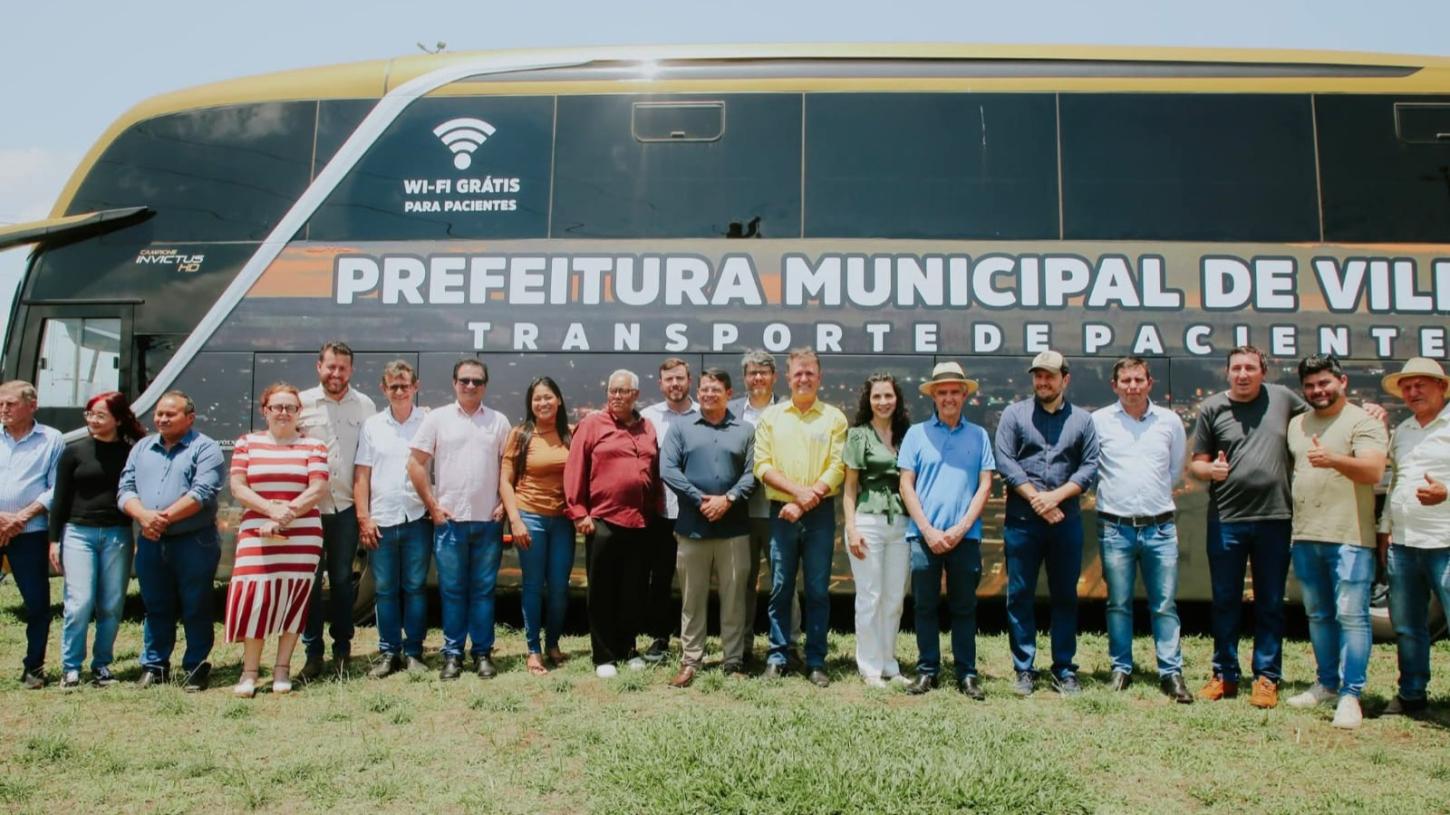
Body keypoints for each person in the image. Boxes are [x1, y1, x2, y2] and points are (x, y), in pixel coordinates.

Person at [1187, 345, 1308, 709]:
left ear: (1263, 372)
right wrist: (1212, 471)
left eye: (1250, 368)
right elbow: (1197, 465)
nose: (1243, 374)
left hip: (1274, 518)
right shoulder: (1211, 408)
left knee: (1270, 602)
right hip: (1226, 519)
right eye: (1236, 368)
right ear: (1227, 373)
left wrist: (1366, 411)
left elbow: (1322, 416)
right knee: (1225, 601)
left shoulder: (1284, 399)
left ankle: (1266, 677)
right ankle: (1224, 675)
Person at [1283, 354, 1387, 729]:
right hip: (1307, 533)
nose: (1317, 391)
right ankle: (1327, 683)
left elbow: (1374, 470)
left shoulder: (1363, 421)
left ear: (1341, 381)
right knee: (1319, 615)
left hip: (1350, 537)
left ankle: (1351, 695)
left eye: (1324, 383)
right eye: (1310, 385)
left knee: (1352, 618)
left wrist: (1334, 460)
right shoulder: (1297, 423)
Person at [994, 350, 1100, 697]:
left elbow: (1089, 467)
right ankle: (1024, 669)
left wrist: (1053, 499)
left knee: (1065, 596)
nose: (1042, 382)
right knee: (1020, 595)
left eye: (1049, 376)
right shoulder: (1014, 414)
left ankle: (1064, 669)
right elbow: (1005, 461)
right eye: (1038, 376)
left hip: (1064, 519)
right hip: (1022, 521)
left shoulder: (1083, 421)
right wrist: (1037, 499)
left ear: (1064, 380)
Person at [1090, 357, 1193, 704]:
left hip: (1160, 527)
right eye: (1125, 380)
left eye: (1138, 379)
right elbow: (1092, 470)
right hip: (1115, 527)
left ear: (1150, 383)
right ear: (1114, 385)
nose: (1132, 386)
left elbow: (1176, 469)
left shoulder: (1170, 421)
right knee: (1118, 604)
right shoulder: (1099, 421)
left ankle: (1170, 672)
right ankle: (1121, 668)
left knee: (1164, 604)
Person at [408, 358, 511, 680]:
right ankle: (452, 655)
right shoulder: (437, 419)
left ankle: (481, 653)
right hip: (449, 522)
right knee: (452, 591)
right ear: (454, 383)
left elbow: (511, 470)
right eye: (464, 380)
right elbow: (415, 463)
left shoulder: (498, 422)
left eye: (477, 382)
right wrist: (432, 504)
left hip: (487, 521)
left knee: (482, 591)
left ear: (485, 386)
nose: (470, 386)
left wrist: (505, 507)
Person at [225, 383, 330, 697]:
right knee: (254, 598)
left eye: (290, 408)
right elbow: (238, 487)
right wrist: (270, 509)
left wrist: (287, 513)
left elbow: (318, 488)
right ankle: (250, 672)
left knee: (292, 601)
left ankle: (282, 669)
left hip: (302, 533)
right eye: (277, 407)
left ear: (299, 412)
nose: (284, 413)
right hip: (256, 531)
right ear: (265, 411)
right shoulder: (247, 443)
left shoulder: (314, 446)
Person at [898, 363, 995, 699]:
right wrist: (927, 529)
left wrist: (961, 528)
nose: (949, 397)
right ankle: (927, 670)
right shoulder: (915, 434)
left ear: (964, 395)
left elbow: (985, 485)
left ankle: (967, 674)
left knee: (964, 607)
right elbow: (906, 484)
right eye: (943, 392)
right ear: (934, 397)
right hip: (923, 536)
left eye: (955, 391)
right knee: (924, 606)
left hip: (965, 537)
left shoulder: (979, 436)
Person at [119, 390, 227, 691]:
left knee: (196, 604)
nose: (162, 419)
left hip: (194, 541)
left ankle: (195, 666)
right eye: (159, 414)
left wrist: (160, 519)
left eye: (171, 414)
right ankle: (155, 665)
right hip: (152, 541)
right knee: (155, 605)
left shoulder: (205, 449)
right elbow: (125, 488)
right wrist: (143, 516)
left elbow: (202, 493)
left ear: (189, 417)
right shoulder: (142, 448)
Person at [754, 348, 847, 687]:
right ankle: (779, 654)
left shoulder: (834, 418)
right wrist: (799, 495)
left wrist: (806, 501)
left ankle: (816, 660)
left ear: (819, 377)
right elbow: (761, 465)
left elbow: (837, 466)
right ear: (788, 377)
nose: (804, 378)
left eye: (810, 373)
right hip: (782, 512)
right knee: (780, 588)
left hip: (820, 513)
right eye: (798, 373)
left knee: (818, 590)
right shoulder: (772, 417)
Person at [659, 368, 756, 687]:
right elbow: (668, 469)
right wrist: (700, 500)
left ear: (729, 393)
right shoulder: (681, 428)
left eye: (715, 389)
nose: (708, 394)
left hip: (734, 527)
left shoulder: (745, 430)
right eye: (703, 390)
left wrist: (727, 499)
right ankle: (690, 661)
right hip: (692, 527)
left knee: (734, 596)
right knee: (692, 597)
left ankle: (733, 660)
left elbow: (752, 473)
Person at [48, 391, 146, 689]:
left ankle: (102, 665)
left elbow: (137, 495)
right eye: (89, 414)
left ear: (117, 419)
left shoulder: (132, 453)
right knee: (79, 603)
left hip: (117, 533)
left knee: (112, 604)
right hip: (79, 532)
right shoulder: (73, 452)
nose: (92, 420)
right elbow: (60, 499)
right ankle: (71, 667)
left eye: (100, 415)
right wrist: (54, 541)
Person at [566, 370, 661, 677]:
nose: (617, 396)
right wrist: (579, 512)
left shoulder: (647, 427)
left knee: (632, 591)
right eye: (612, 391)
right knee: (603, 591)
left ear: (636, 395)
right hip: (603, 520)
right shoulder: (593, 424)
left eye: (623, 391)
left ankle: (628, 647)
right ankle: (604, 655)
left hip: (641, 522)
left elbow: (655, 470)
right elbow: (575, 469)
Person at [297, 341, 375, 680]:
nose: (336, 373)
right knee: (309, 584)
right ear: (319, 367)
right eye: (331, 367)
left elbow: (369, 459)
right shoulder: (300, 403)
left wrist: (364, 511)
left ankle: (342, 648)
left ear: (351, 370)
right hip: (308, 510)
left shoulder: (365, 406)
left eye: (343, 368)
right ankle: (312, 654)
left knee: (343, 582)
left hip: (345, 509)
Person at [1377, 357, 1450, 717]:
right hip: (1404, 544)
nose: (1413, 391)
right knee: (1407, 626)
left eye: (1421, 384)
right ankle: (1411, 695)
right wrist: (1384, 530)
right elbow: (1396, 485)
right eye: (1407, 386)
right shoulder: (1403, 431)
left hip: (1445, 542)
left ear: (1443, 388)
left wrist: (1447, 492)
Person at [355, 360, 431, 678]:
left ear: (416, 387)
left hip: (417, 518)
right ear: (383, 389)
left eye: (405, 385)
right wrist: (364, 517)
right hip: (382, 519)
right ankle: (389, 653)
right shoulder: (372, 426)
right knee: (385, 590)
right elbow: (362, 474)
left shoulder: (428, 421)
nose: (399, 391)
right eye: (393, 386)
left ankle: (413, 652)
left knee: (414, 588)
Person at [499, 376, 576, 676]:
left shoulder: (570, 434)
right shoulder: (520, 434)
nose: (543, 403)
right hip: (529, 517)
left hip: (563, 522)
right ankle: (533, 649)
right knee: (533, 586)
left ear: (558, 400)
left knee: (559, 587)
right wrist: (515, 519)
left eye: (548, 397)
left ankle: (553, 643)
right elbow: (505, 480)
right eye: (537, 398)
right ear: (530, 404)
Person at [727, 350, 799, 664]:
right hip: (739, 512)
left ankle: (788, 645)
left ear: (774, 377)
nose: (757, 378)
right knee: (741, 582)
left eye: (763, 373)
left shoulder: (790, 410)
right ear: (744, 378)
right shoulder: (729, 411)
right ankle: (740, 648)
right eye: (752, 373)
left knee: (784, 581)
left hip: (778, 509)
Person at [841, 373, 911, 688]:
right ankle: (869, 667)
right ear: (868, 401)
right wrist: (851, 528)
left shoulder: (906, 435)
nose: (883, 402)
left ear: (897, 399)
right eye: (877, 396)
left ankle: (890, 664)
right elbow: (850, 488)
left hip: (900, 521)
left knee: (894, 598)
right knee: (870, 596)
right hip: (867, 520)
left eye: (888, 396)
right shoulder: (858, 435)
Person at [0, 380, 65, 689]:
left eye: (10, 404)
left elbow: (57, 488)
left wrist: (20, 518)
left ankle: (34, 668)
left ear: (31, 405)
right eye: (0, 404)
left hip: (31, 532)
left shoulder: (51, 440)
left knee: (37, 604)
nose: (4, 409)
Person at [639, 358, 699, 663]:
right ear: (660, 384)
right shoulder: (647, 418)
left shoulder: (704, 415)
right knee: (660, 579)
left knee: (695, 580)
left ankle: (694, 642)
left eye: (679, 378)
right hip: (659, 513)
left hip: (695, 511)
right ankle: (660, 638)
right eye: (668, 380)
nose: (674, 384)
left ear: (690, 380)